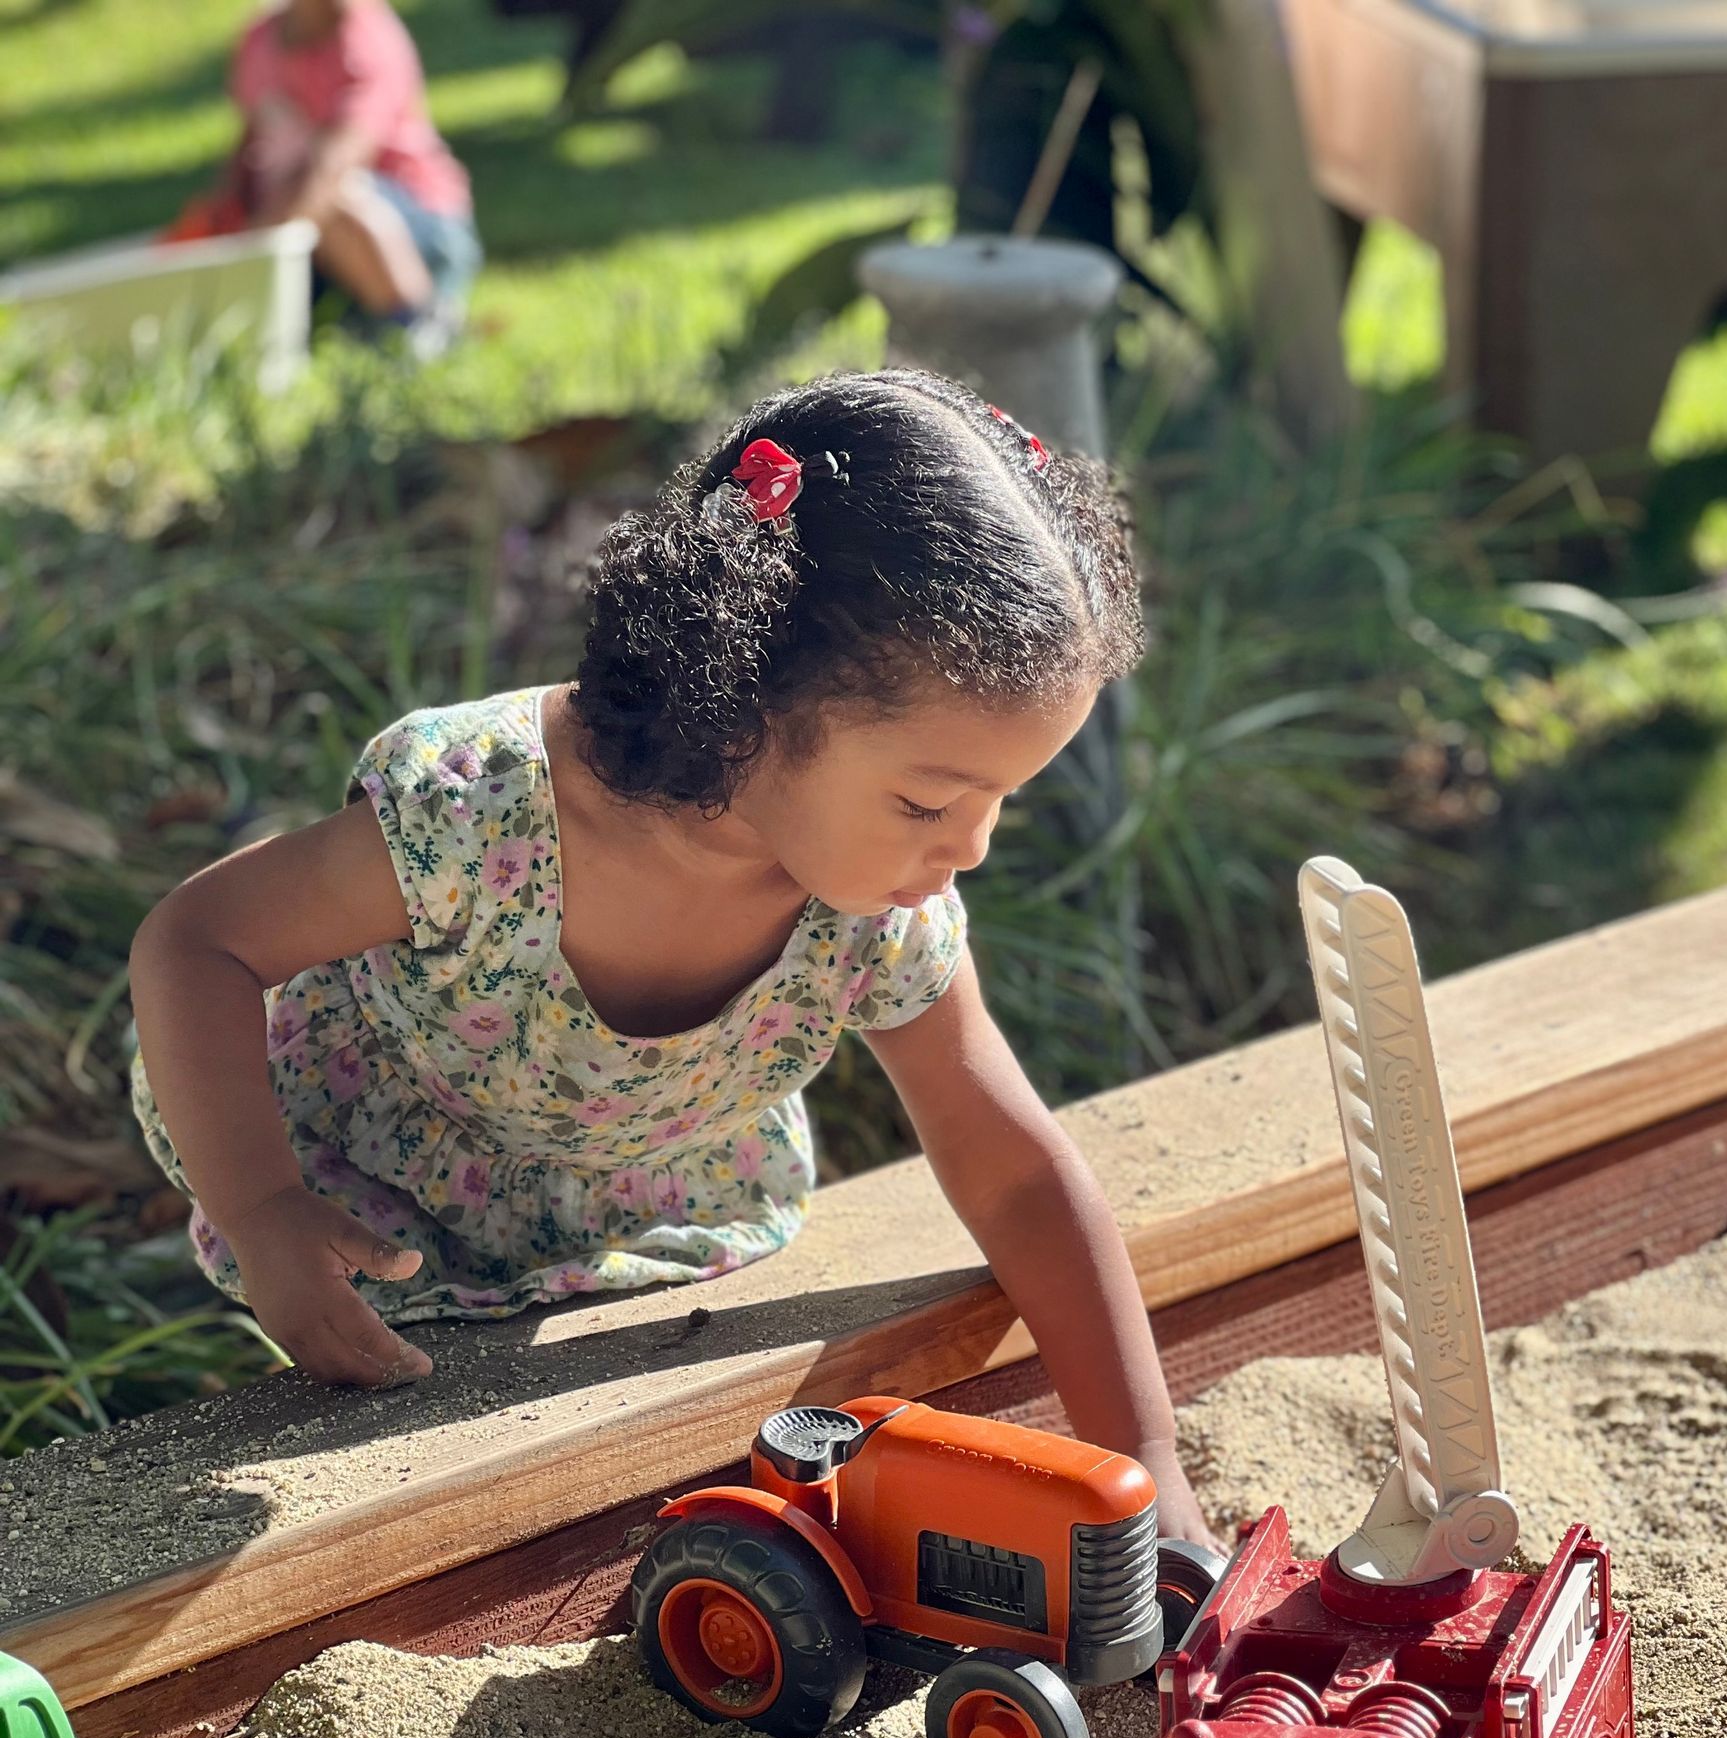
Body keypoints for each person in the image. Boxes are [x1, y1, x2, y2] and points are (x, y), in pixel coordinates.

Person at [128, 371, 1210, 1541]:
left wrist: (1146, 1462)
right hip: (390, 1193)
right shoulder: (482, 813)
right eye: (929, 799)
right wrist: (264, 1210)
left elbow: (1012, 1169)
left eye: (1003, 800)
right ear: (744, 700)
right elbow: (199, 941)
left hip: (652, 1197)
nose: (973, 847)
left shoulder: (874, 910)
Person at [179, 0, 481, 349]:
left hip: (417, 221)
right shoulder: (261, 39)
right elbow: (248, 147)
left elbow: (333, 169)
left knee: (337, 196)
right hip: (304, 231)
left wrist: (249, 255)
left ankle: (418, 321)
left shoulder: (367, 38)